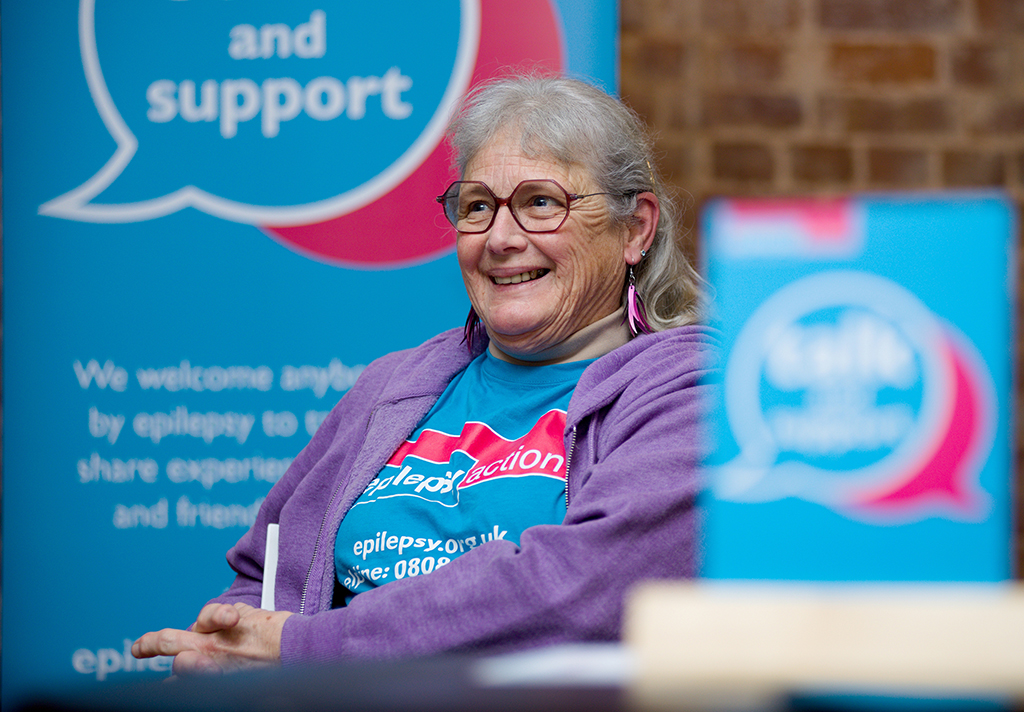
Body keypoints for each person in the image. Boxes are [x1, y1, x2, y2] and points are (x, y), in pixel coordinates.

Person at [132, 74, 715, 674]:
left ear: (635, 229)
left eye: (542, 202)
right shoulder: (395, 386)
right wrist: (223, 651)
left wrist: (305, 648)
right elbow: (265, 574)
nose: (501, 239)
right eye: (478, 207)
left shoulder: (691, 392)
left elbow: (581, 592)